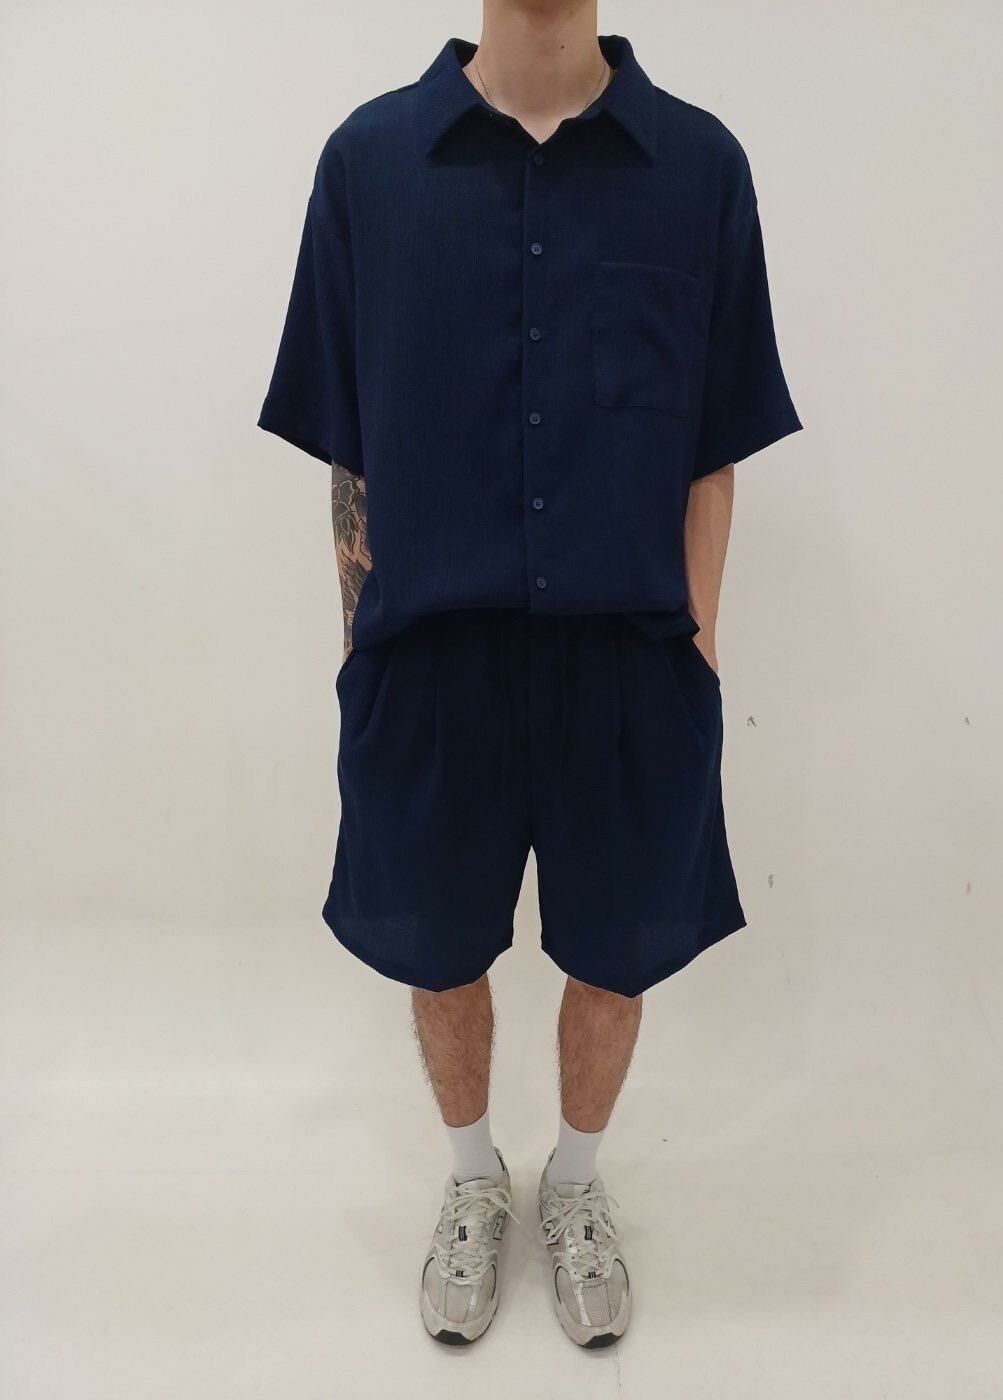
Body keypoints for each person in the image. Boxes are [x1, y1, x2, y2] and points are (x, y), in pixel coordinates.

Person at [258, 1, 800, 1349]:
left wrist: (700, 647)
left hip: (629, 661)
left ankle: (574, 1184)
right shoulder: (370, 165)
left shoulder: (699, 168)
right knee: (436, 949)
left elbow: (714, 444)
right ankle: (469, 1183)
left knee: (616, 955)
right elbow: (347, 440)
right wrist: (359, 646)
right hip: (429, 656)